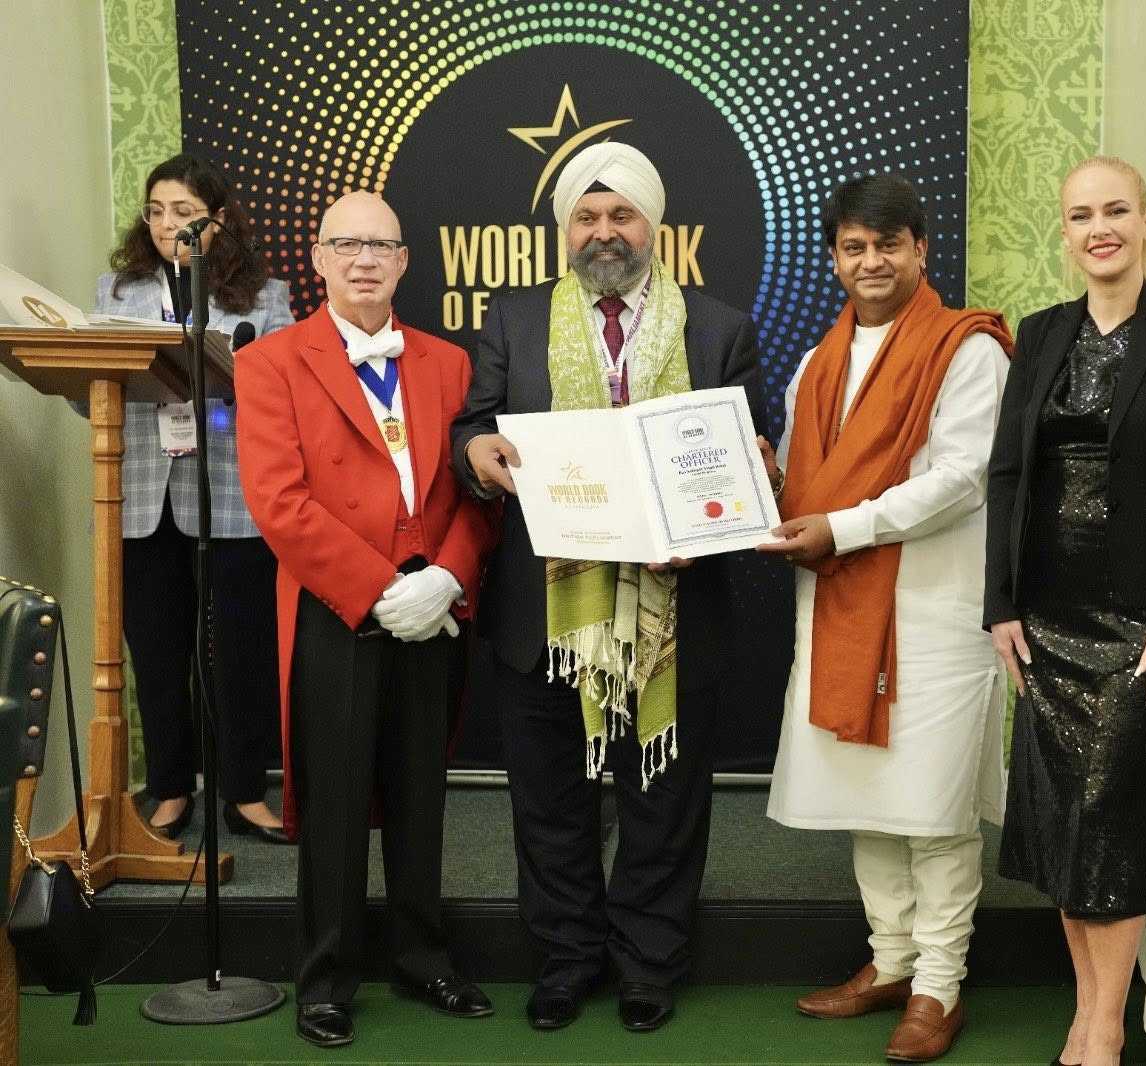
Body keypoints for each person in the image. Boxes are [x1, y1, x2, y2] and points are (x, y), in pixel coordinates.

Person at [450, 142, 762, 1033]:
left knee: (665, 803)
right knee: (551, 800)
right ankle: (566, 960)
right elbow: (474, 426)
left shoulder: (719, 328)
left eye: (621, 214)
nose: (604, 231)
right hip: (546, 609)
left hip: (676, 609)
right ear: (565, 231)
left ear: (652, 225)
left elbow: (749, 454)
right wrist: (476, 452)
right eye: (586, 217)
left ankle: (649, 965)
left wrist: (716, 517)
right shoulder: (514, 321)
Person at [984, 156, 1146, 1066]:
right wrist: (1000, 605)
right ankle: (1088, 1009)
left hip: (1139, 622)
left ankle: (1106, 1025)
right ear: (1066, 233)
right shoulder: (1041, 332)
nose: (1101, 228)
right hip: (1044, 616)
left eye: (1117, 210)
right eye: (1083, 214)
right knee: (1063, 817)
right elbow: (1007, 476)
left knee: (1114, 815)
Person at [235, 191, 496, 1048]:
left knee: (422, 793)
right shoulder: (270, 362)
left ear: (405, 261)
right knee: (337, 799)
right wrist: (381, 590)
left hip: (435, 609)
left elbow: (481, 489)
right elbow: (279, 503)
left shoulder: (450, 363)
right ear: (318, 258)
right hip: (336, 604)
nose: (364, 260)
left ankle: (424, 958)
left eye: (381, 245)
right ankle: (326, 978)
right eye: (346, 244)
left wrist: (447, 577)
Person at [761, 174, 1011, 1064]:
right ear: (835, 258)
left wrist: (843, 526)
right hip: (841, 608)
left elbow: (961, 479)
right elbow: (806, 478)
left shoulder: (967, 349)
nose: (871, 261)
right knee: (869, 799)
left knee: (932, 811)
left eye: (888, 245)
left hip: (935, 616)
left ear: (921, 250)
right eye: (854, 247)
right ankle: (893, 962)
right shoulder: (817, 362)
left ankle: (940, 984)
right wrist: (755, 478)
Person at [92, 153, 293, 842]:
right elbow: (92, 393)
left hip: (232, 494)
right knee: (156, 651)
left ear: (219, 219)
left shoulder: (265, 297)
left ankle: (245, 792)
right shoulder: (116, 293)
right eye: (155, 211)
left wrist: (223, 377)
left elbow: (285, 396)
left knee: (241, 653)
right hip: (143, 498)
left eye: (183, 212)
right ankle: (172, 789)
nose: (166, 225)